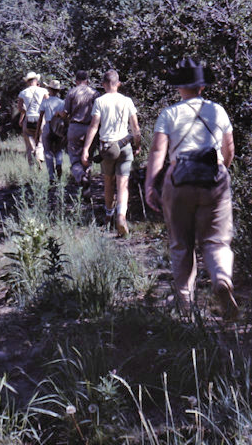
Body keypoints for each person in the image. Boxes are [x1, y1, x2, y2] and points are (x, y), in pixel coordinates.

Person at [143, 58, 237, 320]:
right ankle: (221, 279)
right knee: (217, 241)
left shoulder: (169, 114)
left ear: (180, 87)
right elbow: (229, 149)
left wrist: (151, 184)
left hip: (179, 181)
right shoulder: (218, 111)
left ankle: (186, 305)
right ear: (202, 87)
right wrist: (220, 171)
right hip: (214, 179)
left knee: (181, 245)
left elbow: (158, 151)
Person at [82, 70, 140, 236]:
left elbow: (94, 126)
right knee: (123, 183)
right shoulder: (127, 100)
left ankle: (109, 216)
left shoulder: (100, 101)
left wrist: (86, 149)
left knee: (108, 182)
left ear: (103, 85)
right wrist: (138, 145)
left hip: (107, 148)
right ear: (118, 84)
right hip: (124, 145)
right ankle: (121, 216)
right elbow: (135, 127)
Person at [63, 70, 99, 191]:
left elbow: (65, 113)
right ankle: (87, 187)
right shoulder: (95, 94)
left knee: (74, 158)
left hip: (75, 127)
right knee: (87, 157)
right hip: (91, 128)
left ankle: (80, 176)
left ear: (76, 81)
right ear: (87, 80)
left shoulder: (72, 93)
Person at [36, 79, 65, 182]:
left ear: (49, 89)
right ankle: (58, 164)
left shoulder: (45, 102)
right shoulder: (62, 102)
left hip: (48, 125)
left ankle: (51, 177)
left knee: (47, 152)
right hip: (59, 127)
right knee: (58, 149)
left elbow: (40, 118)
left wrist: (37, 133)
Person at [17, 71, 49, 167]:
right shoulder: (43, 91)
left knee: (29, 143)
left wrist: (25, 112)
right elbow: (48, 104)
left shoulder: (23, 93)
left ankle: (32, 166)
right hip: (40, 118)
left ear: (27, 82)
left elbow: (20, 108)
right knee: (40, 140)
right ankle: (39, 156)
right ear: (36, 80)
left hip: (29, 118)